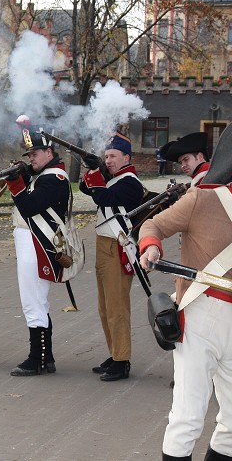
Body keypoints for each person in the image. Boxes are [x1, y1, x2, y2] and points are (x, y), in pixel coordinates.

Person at [139, 113, 232, 461]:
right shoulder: (202, 200)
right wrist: (151, 245)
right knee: (188, 418)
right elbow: (154, 224)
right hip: (200, 315)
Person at [6, 121, 71, 376]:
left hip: (38, 244)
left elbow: (29, 207)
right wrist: (22, 174)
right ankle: (46, 357)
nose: (31, 158)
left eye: (35, 154)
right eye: (29, 154)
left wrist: (16, 183)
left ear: (49, 152)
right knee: (36, 303)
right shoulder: (44, 175)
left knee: (33, 303)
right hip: (32, 243)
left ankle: (38, 358)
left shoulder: (54, 178)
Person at [79, 132, 144, 381]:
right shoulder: (113, 178)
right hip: (103, 244)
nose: (109, 161)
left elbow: (103, 198)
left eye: (113, 156)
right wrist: (92, 167)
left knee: (117, 308)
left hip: (117, 247)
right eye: (106, 157)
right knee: (105, 307)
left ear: (126, 157)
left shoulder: (130, 182)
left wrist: (97, 173)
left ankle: (122, 359)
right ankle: (115, 353)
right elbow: (87, 188)